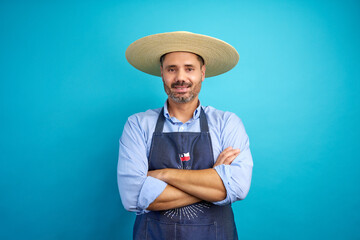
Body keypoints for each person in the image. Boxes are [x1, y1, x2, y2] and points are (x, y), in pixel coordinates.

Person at [117, 31, 253, 240]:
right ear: (162, 72)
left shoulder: (227, 122)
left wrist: (163, 175)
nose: (181, 77)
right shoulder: (138, 124)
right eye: (172, 69)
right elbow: (132, 197)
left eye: (189, 69)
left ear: (202, 73)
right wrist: (213, 181)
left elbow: (237, 188)